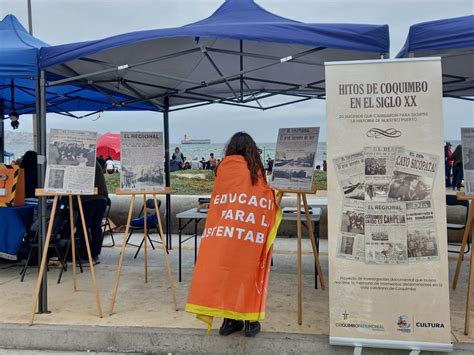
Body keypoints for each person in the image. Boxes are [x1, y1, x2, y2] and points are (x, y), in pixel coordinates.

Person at [186, 132, 281, 337]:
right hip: (247, 233)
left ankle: (229, 322)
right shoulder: (253, 169)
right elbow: (262, 197)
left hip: (223, 233)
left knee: (226, 273)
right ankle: (249, 322)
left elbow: (222, 198)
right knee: (246, 272)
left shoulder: (223, 168)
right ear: (251, 149)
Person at [76, 161, 108, 264]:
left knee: (82, 227)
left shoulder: (81, 163)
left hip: (88, 199)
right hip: (101, 198)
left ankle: (86, 255)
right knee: (96, 227)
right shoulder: (93, 162)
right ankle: (95, 255)